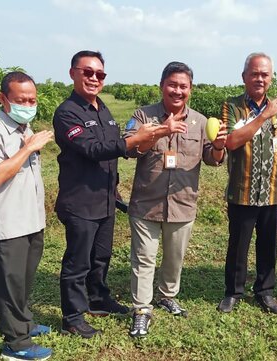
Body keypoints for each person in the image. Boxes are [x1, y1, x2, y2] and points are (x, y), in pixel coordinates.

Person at [53, 50, 170, 338]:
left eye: (100, 74)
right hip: (80, 200)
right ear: (73, 74)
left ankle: (97, 297)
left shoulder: (102, 109)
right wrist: (134, 140)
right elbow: (92, 149)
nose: (94, 78)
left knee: (101, 255)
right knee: (77, 262)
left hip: (106, 198)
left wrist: (142, 141)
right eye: (88, 72)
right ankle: (72, 316)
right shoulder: (67, 112)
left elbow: (119, 148)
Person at [124, 62, 226, 337]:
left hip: (183, 201)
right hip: (147, 201)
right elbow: (131, 148)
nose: (177, 91)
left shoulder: (202, 122)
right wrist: (161, 130)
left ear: (190, 90)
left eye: (183, 86)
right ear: (161, 86)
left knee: (174, 257)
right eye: (172, 84)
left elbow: (212, 160)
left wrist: (218, 147)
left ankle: (167, 295)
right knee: (144, 258)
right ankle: (142, 309)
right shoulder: (143, 116)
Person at [0, 71, 54, 360]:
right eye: (21, 100)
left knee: (23, 279)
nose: (28, 104)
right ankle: (16, 344)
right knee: (9, 283)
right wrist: (28, 148)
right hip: (8, 225)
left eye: (32, 99)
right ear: (3, 99)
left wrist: (29, 142)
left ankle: (24, 323)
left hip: (31, 219)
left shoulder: (25, 128)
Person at [217, 52, 277, 314]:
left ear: (271, 78)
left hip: (273, 190)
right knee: (238, 245)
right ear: (244, 77)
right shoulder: (232, 106)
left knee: (268, 245)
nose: (259, 79)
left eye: (264, 74)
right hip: (243, 190)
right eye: (254, 73)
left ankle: (265, 291)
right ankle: (233, 292)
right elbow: (231, 142)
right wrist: (263, 116)